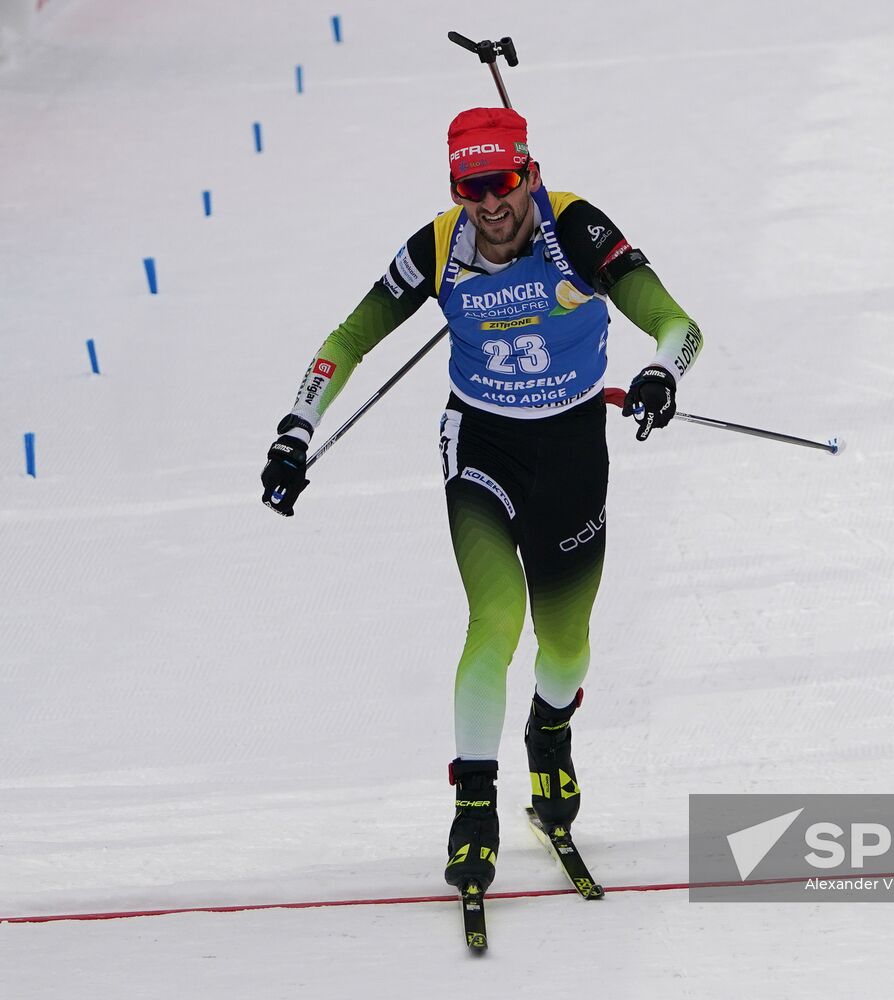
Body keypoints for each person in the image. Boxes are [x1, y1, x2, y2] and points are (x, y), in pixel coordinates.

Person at [259, 107, 703, 894]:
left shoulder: (578, 230)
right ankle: (473, 809)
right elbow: (347, 339)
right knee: (494, 620)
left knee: (564, 645)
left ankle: (550, 734)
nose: (489, 204)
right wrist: (296, 430)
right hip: (482, 447)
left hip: (569, 448)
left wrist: (661, 373)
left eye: (501, 183)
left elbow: (677, 324)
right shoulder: (436, 246)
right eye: (471, 187)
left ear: (528, 174)